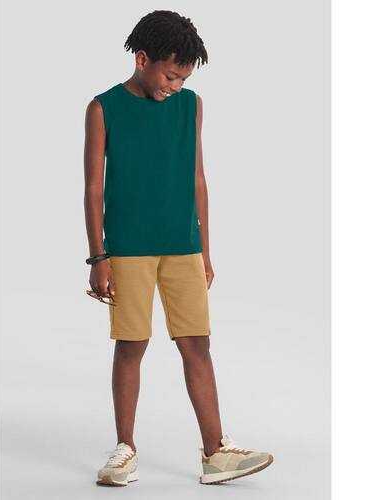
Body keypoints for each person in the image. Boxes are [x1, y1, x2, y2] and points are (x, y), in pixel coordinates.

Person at [84, 10, 273, 486]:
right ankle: (124, 450)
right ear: (142, 59)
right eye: (170, 75)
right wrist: (98, 256)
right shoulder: (103, 108)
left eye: (183, 78)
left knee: (197, 343)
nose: (176, 85)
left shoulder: (191, 106)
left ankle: (215, 453)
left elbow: (197, 178)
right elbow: (93, 188)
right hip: (127, 248)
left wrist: (205, 251)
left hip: (183, 245)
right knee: (132, 344)